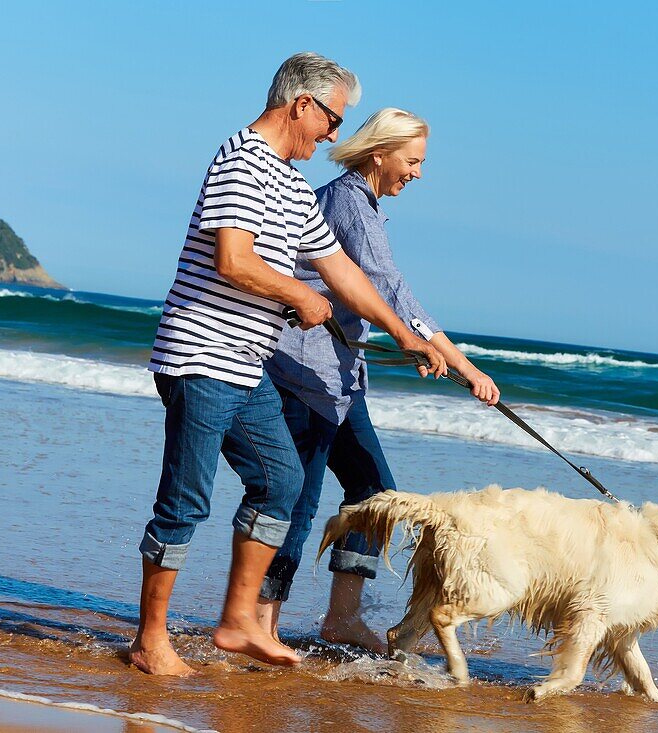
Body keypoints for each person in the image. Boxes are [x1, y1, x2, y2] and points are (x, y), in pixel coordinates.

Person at [129, 56, 447, 677]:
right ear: (301, 104)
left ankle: (237, 621)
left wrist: (403, 333)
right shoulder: (241, 161)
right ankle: (150, 640)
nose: (333, 135)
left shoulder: (294, 185)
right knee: (186, 501)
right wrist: (298, 295)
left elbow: (342, 272)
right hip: (200, 355)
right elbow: (232, 259)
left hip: (247, 366)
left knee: (282, 483)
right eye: (331, 119)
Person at [256, 108, 500, 651]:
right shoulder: (348, 203)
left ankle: (340, 618)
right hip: (304, 374)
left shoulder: (357, 204)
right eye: (412, 161)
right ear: (379, 154)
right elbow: (392, 292)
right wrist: (463, 365)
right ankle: (261, 622)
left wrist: (443, 354)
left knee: (374, 495)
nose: (417, 173)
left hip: (340, 380)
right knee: (298, 500)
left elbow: (387, 295)